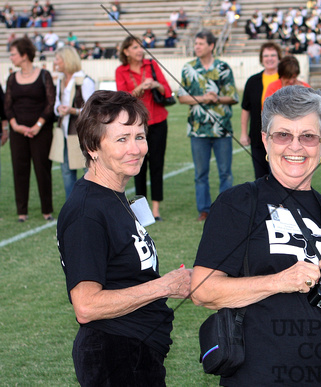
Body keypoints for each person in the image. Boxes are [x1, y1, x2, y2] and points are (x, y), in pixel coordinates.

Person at [190, 86, 321, 386]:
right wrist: (279, 282)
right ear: (265, 141)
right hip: (260, 376)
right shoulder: (238, 203)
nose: (295, 147)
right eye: (283, 135)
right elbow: (203, 291)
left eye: (307, 137)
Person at [56, 90, 192, 386]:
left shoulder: (112, 194)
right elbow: (86, 305)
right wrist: (164, 286)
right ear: (93, 147)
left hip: (136, 351)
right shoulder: (86, 213)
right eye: (121, 139)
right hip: (115, 354)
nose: (135, 149)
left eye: (139, 136)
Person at [178, 29, 238, 222]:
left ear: (211, 46)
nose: (197, 47)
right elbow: (181, 97)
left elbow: (233, 97)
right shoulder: (188, 68)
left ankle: (226, 209)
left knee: (225, 173)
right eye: (196, 44)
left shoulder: (224, 67)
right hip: (197, 129)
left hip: (222, 128)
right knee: (200, 173)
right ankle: (204, 210)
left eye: (201, 44)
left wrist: (217, 98)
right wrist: (202, 98)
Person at [116, 36, 173, 221]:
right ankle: (141, 211)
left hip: (158, 122)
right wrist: (139, 88)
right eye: (135, 47)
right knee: (137, 167)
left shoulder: (152, 66)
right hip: (135, 126)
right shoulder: (121, 70)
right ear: (126, 51)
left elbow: (168, 91)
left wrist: (155, 84)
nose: (140, 50)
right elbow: (121, 99)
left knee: (157, 165)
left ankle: (156, 210)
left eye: (141, 46)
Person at [5, 37, 55, 222]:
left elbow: (50, 103)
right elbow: (7, 105)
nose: (11, 57)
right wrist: (15, 125)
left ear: (24, 55)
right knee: (19, 170)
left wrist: (38, 125)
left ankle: (47, 210)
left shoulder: (44, 75)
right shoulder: (11, 78)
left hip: (41, 132)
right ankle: (22, 212)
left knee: (43, 170)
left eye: (13, 54)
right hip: (18, 133)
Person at [53, 46, 96, 199]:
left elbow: (91, 110)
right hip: (64, 131)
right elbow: (56, 104)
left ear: (67, 60)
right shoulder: (60, 80)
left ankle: (89, 205)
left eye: (58, 59)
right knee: (66, 171)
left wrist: (72, 111)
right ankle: (71, 206)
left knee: (87, 170)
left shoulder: (84, 80)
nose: (55, 62)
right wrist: (59, 108)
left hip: (80, 133)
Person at [240, 42, 282, 179]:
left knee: (280, 176)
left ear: (279, 57)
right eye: (266, 56)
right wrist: (243, 133)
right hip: (258, 138)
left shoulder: (285, 80)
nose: (269, 59)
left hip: (282, 138)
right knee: (261, 177)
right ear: (261, 58)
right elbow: (245, 109)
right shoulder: (253, 81)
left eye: (273, 55)